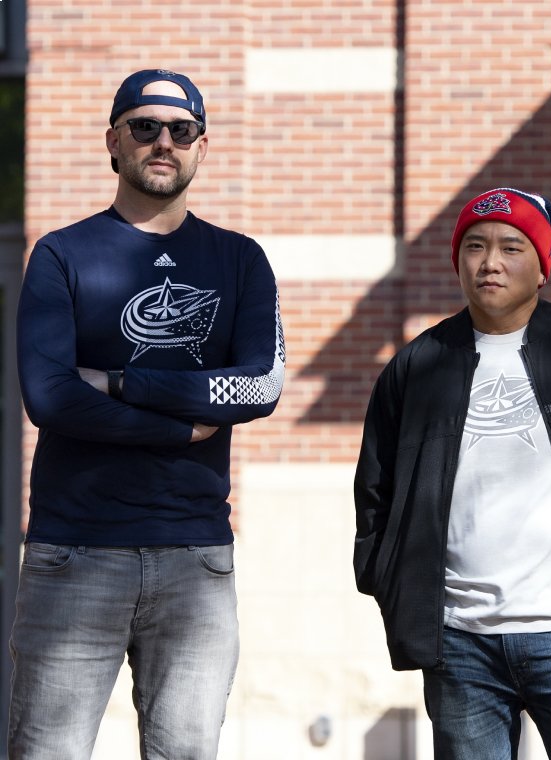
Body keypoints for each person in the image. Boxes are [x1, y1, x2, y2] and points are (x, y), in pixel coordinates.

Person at [10, 69, 285, 760]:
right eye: (144, 127)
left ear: (200, 145)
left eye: (180, 130)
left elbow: (259, 388)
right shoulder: (61, 255)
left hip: (194, 559)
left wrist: (121, 381)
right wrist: (179, 423)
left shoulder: (241, 260)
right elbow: (48, 397)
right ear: (114, 140)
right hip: (74, 553)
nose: (164, 142)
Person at [354, 188, 551, 759]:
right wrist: (386, 579)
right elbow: (375, 489)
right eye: (475, 246)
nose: (490, 262)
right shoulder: (417, 366)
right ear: (458, 262)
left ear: (542, 267)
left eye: (512, 247)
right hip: (460, 639)